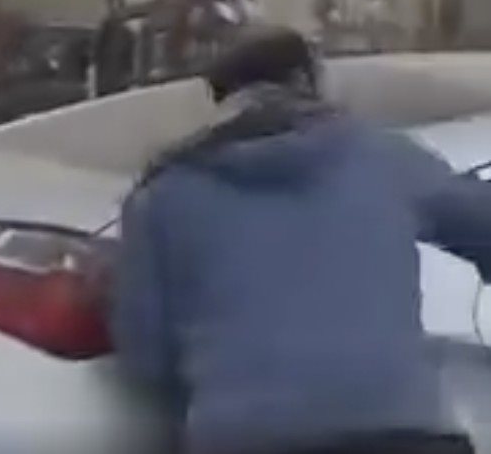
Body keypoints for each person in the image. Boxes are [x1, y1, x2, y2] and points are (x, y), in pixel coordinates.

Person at [113, 24, 491, 454]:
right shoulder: (381, 156)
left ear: (219, 97)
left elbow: (147, 357)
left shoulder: (164, 194)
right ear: (305, 79)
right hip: (399, 428)